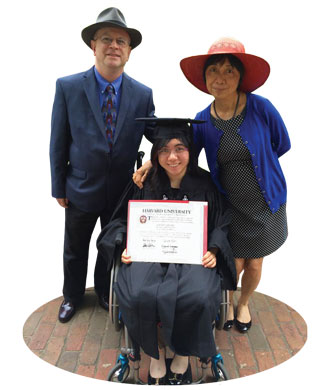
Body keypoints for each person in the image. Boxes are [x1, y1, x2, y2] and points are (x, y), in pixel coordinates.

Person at [134, 38, 290, 333]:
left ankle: (243, 303)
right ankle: (227, 302)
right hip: (230, 204)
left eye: (229, 71)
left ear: (240, 76)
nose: (220, 78)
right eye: (214, 71)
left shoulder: (261, 108)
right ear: (205, 79)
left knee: (255, 265)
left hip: (265, 202)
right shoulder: (204, 120)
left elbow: (282, 144)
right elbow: (182, 152)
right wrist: (149, 164)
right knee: (236, 263)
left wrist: (261, 168)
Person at [97, 118, 236, 385]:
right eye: (163, 150)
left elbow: (222, 221)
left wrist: (215, 249)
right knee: (139, 293)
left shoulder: (206, 184)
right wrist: (124, 244)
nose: (172, 157)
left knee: (196, 295)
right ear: (155, 154)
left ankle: (183, 354)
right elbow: (120, 220)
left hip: (192, 258)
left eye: (179, 148)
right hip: (148, 256)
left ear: (190, 151)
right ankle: (157, 353)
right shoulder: (144, 183)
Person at [49, 7, 155, 323]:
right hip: (79, 187)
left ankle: (106, 293)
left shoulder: (142, 93)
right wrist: (59, 186)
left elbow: (157, 135)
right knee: (75, 248)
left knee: (111, 246)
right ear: (93, 46)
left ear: (129, 52)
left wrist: (156, 159)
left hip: (121, 190)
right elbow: (58, 140)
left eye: (121, 41)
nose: (114, 46)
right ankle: (72, 296)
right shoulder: (68, 87)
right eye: (106, 39)